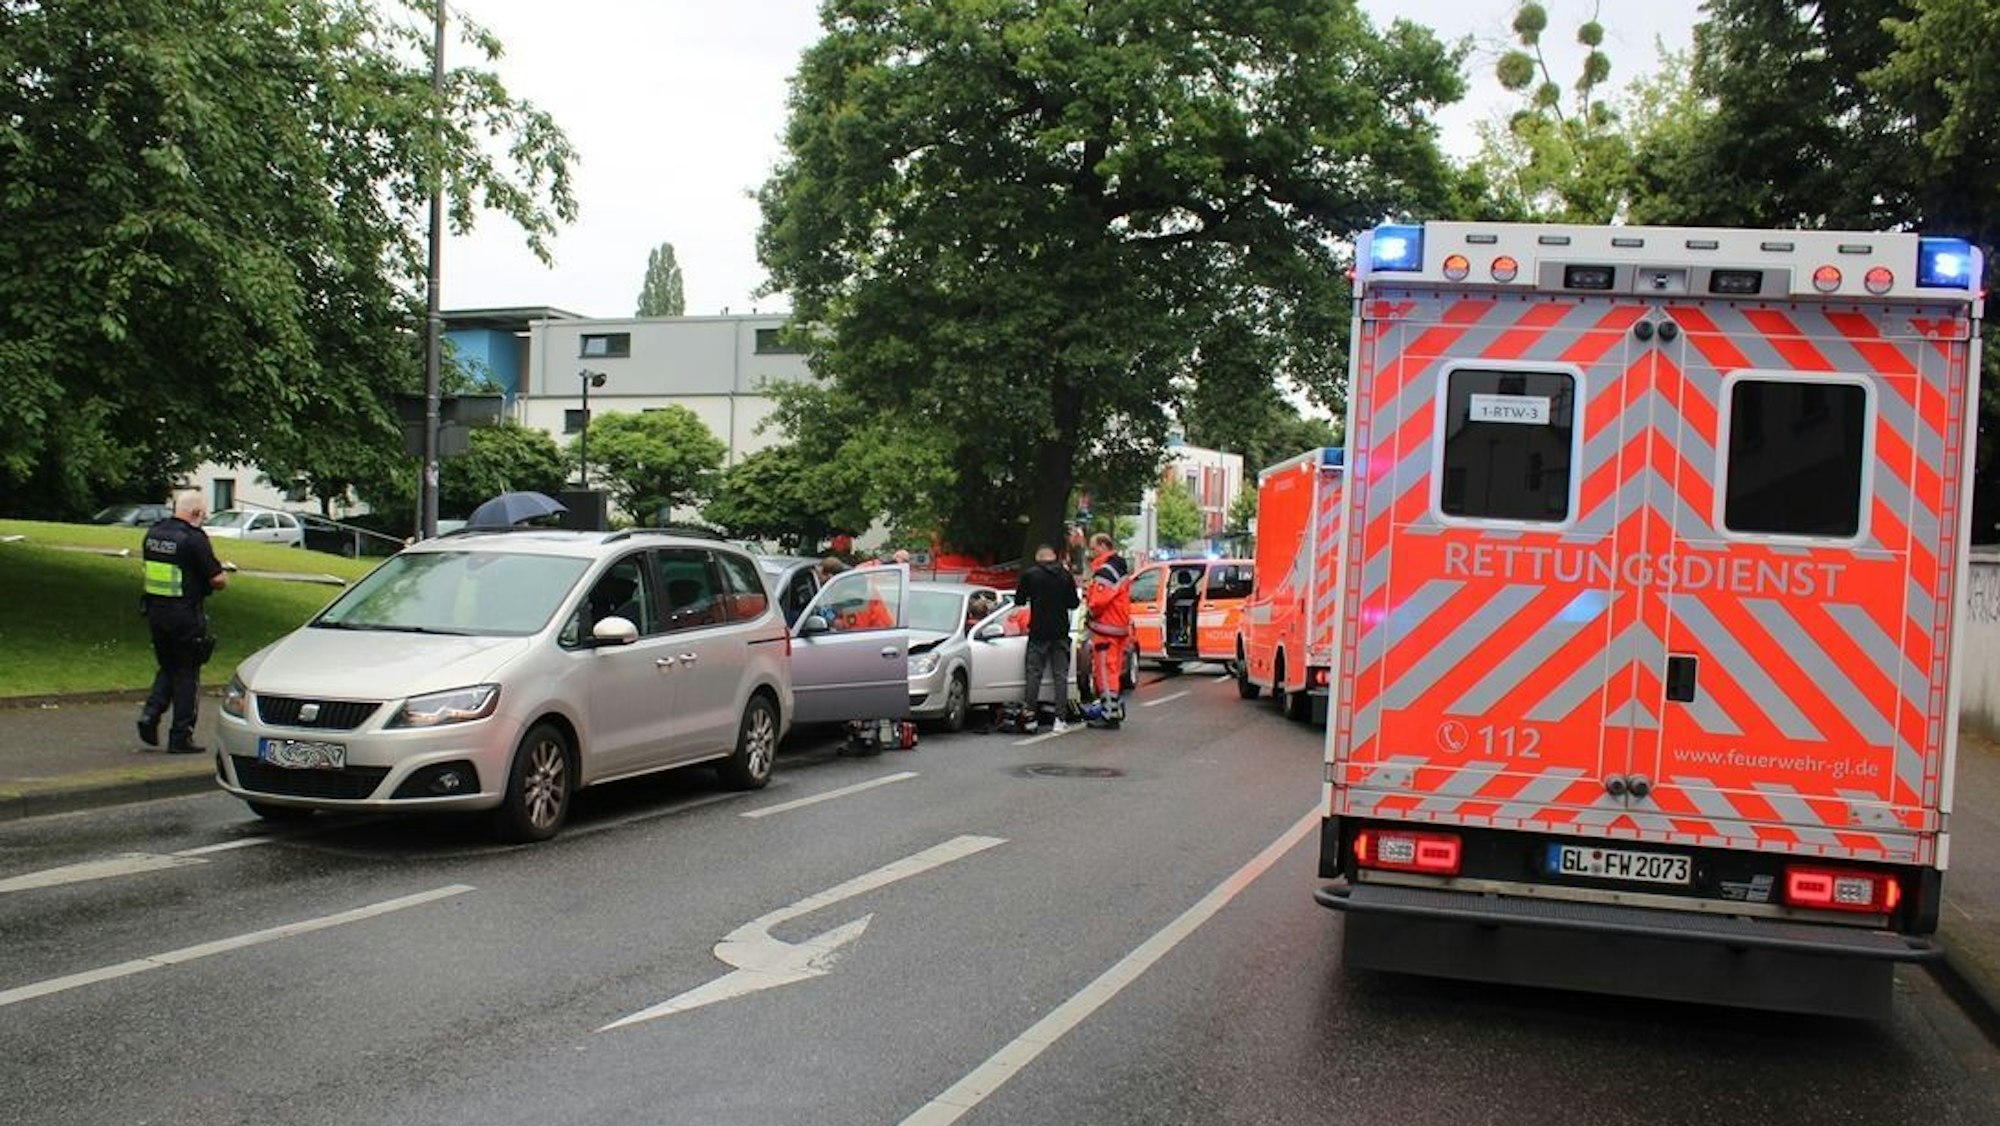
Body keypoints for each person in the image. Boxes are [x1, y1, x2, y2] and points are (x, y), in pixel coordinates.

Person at [138, 490, 229, 753]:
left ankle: (150, 714)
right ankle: (180, 736)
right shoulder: (193, 539)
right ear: (196, 513)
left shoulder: (153, 534)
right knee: (188, 672)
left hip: (156, 611)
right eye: (203, 513)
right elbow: (217, 579)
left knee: (168, 666)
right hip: (185, 614)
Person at [1013, 543, 1079, 733]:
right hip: (1060, 631)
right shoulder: (1065, 575)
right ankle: (1060, 719)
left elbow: (1019, 601)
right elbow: (1073, 604)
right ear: (1054, 556)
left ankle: (1030, 718)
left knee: (1033, 675)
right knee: (1060, 676)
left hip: (1038, 632)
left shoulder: (1030, 575)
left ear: (1038, 558)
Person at [1083, 532, 1133, 729]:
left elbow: (1098, 601)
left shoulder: (1106, 570)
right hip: (1118, 627)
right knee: (1113, 670)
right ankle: (1114, 708)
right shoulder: (1119, 567)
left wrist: (1090, 610)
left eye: (1094, 548)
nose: (1092, 552)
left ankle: (1108, 713)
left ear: (1103, 546)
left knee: (1105, 671)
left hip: (1106, 629)